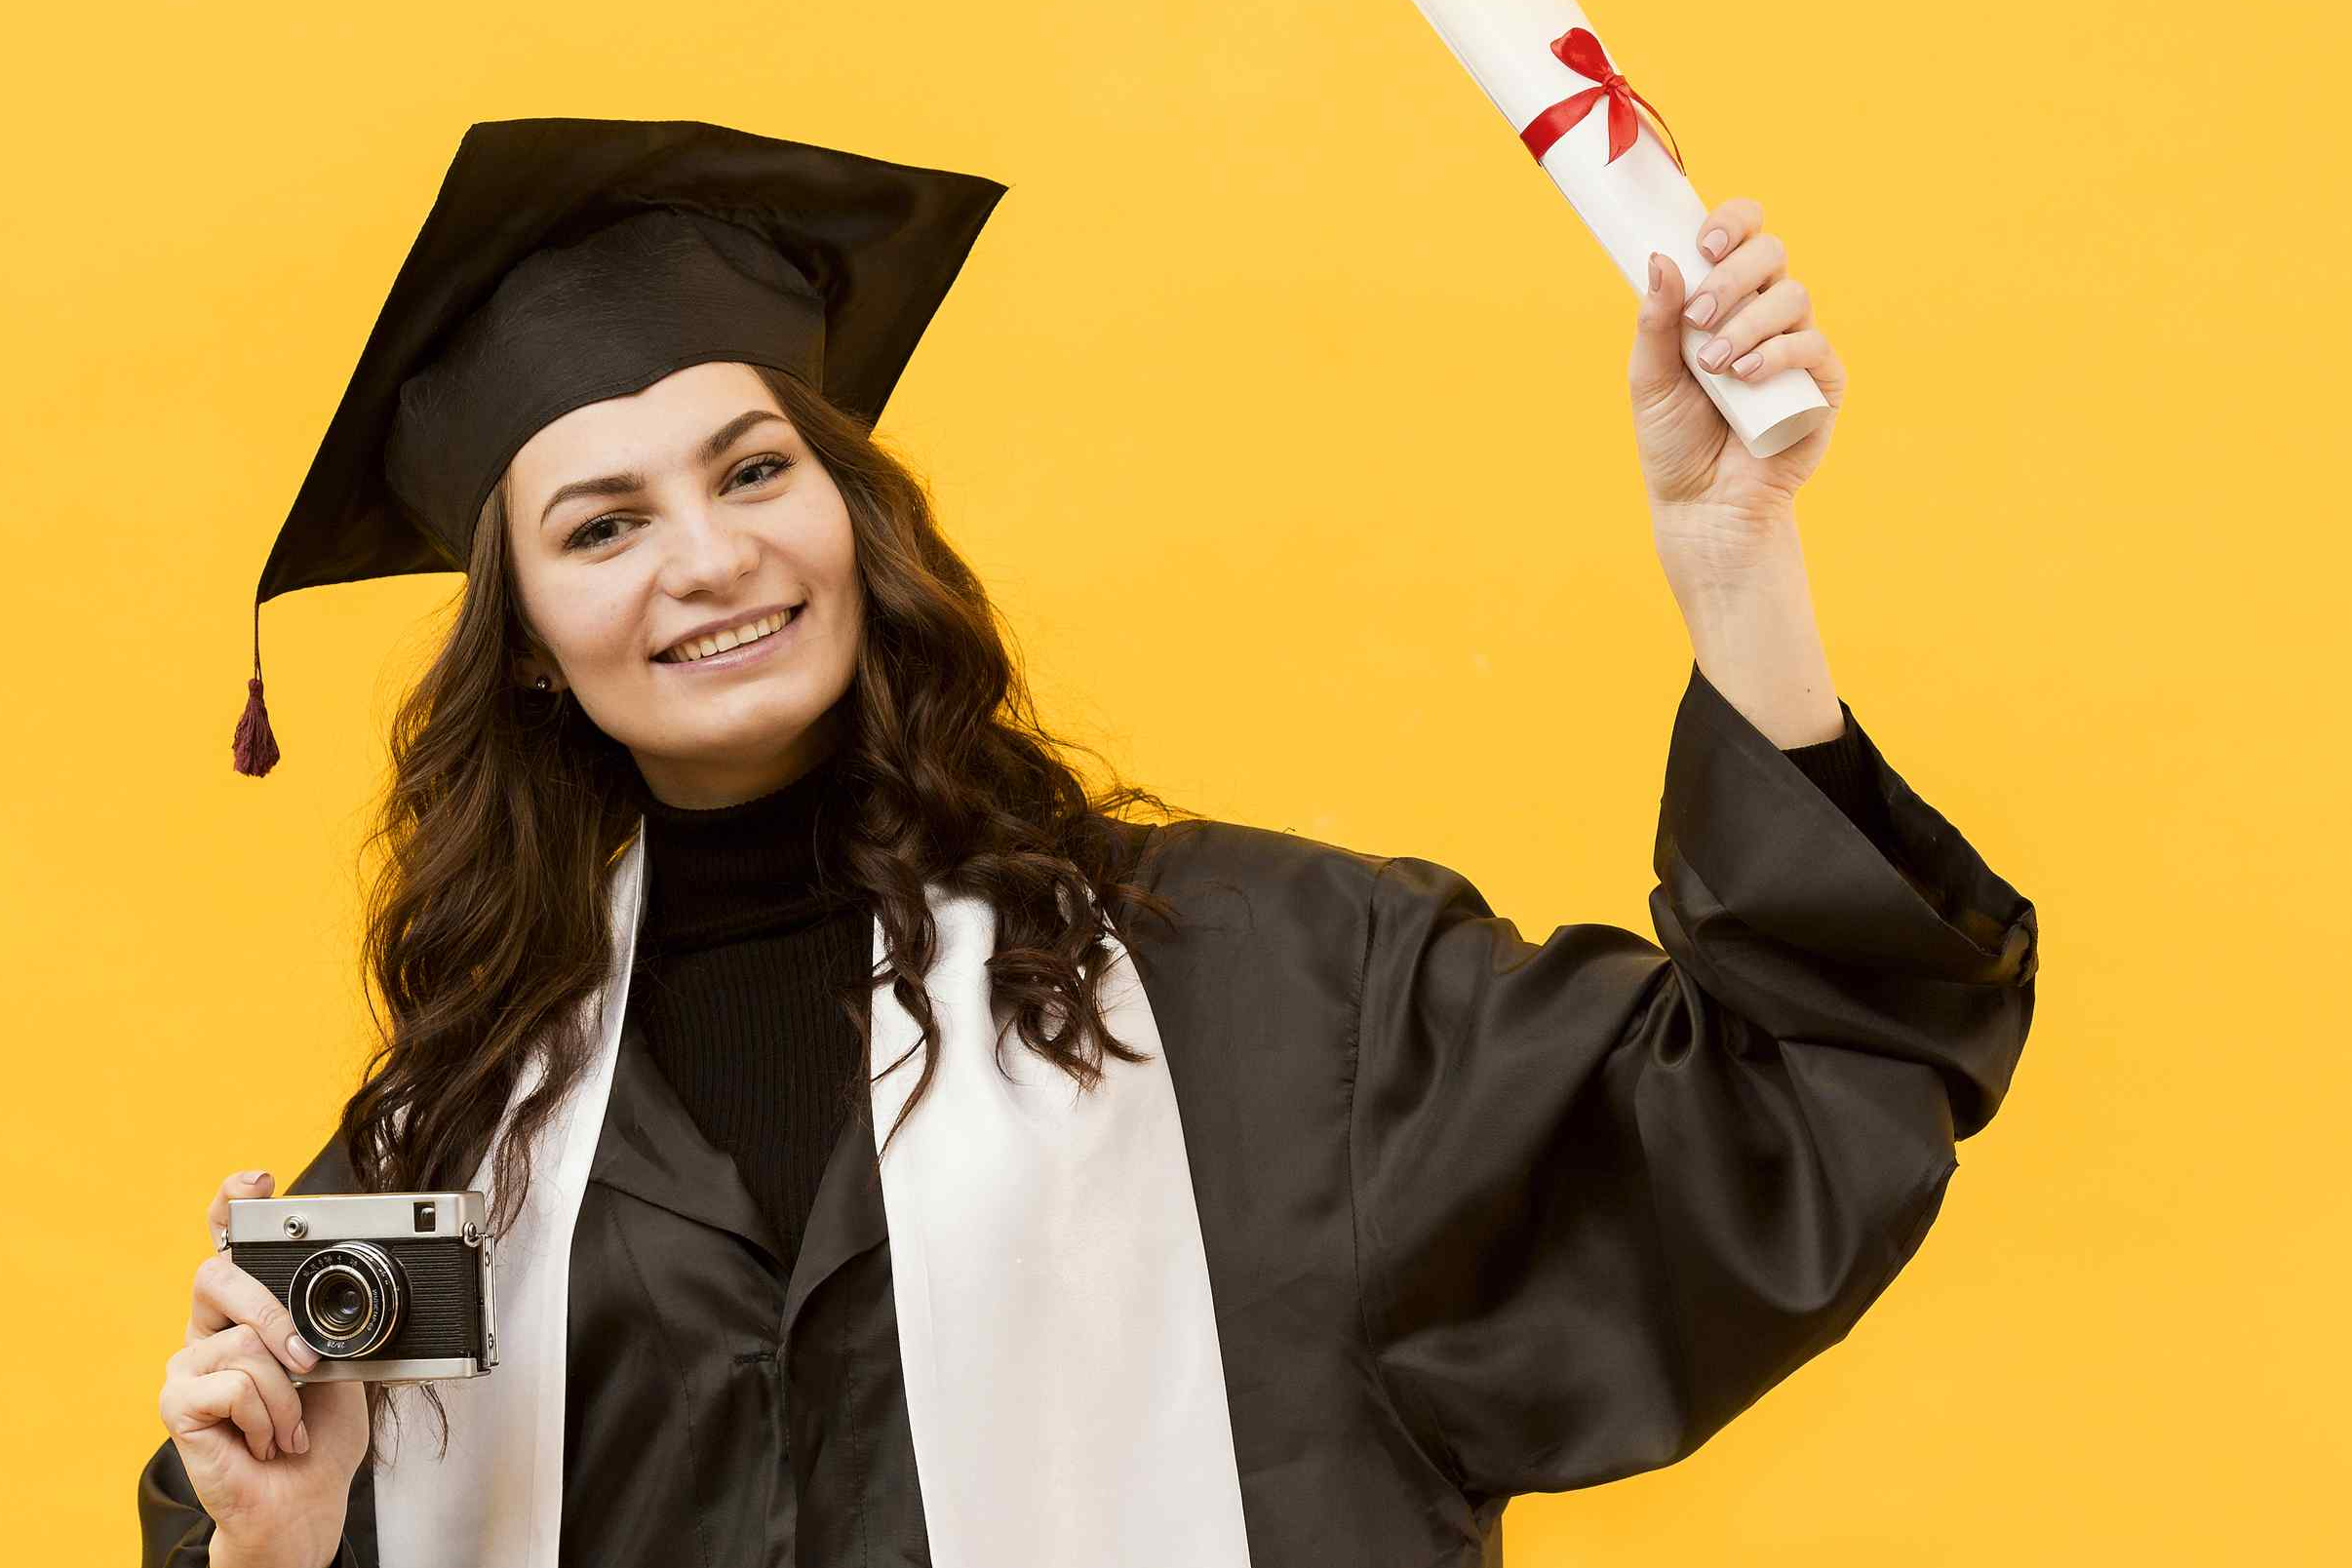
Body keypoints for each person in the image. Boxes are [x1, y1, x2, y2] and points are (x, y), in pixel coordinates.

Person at [138, 118, 2039, 1568]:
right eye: (603, 524)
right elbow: (238, 1513)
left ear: (854, 517)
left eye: (751, 470)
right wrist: (285, 1551)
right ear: (531, 646)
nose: (709, 559)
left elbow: (1797, 1103)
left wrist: (1736, 564)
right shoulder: (441, 1141)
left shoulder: (1261, 990)